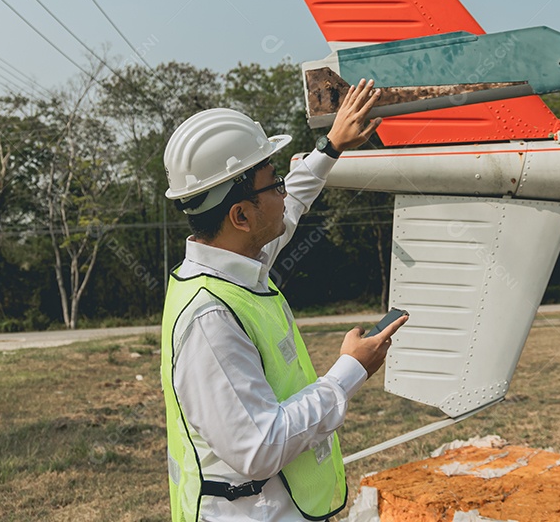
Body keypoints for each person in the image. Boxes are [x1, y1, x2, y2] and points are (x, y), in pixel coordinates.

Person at [160, 80, 407, 522]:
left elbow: (290, 209)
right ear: (240, 215)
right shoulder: (209, 318)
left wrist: (330, 147)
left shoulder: (237, 261)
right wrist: (351, 370)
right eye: (274, 184)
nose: (284, 194)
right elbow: (259, 447)